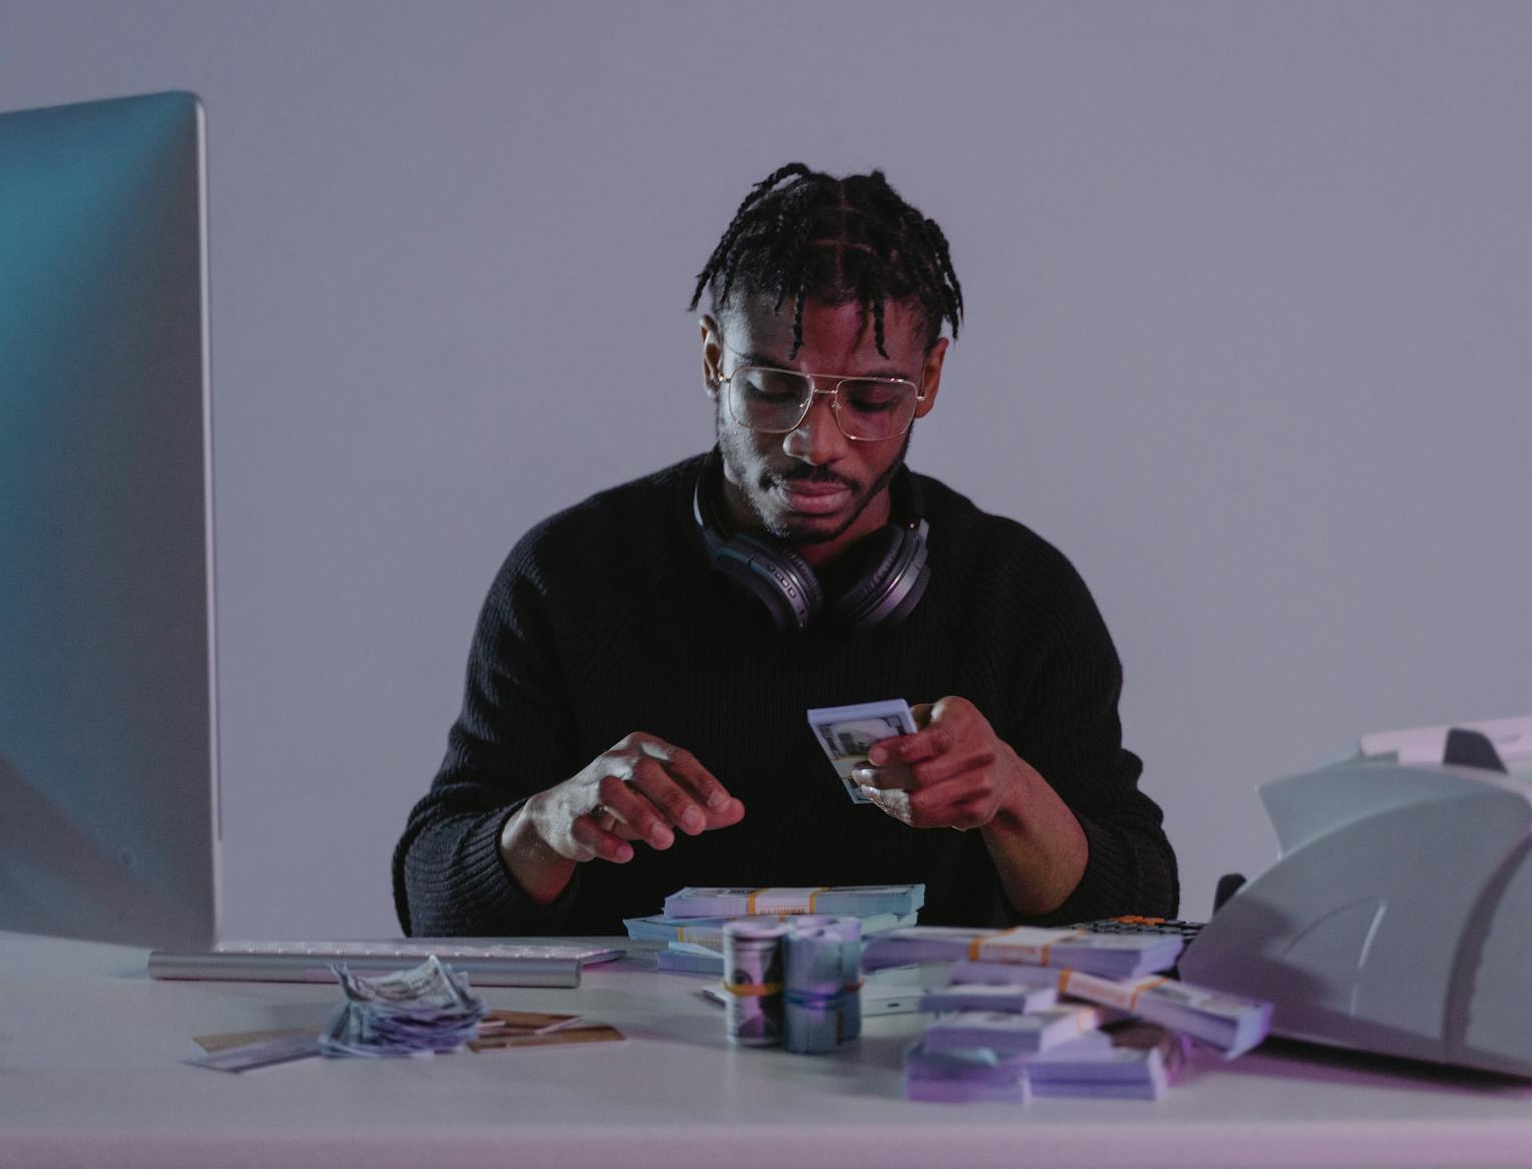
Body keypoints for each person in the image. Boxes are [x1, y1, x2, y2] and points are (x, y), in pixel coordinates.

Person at [393, 164, 1178, 936]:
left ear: (930, 378)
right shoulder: (567, 575)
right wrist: (549, 825)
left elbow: (1141, 909)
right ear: (712, 360)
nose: (814, 441)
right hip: (638, 1058)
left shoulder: (1021, 595)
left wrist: (1012, 795)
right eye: (772, 387)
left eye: (871, 398)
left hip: (917, 1057)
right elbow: (433, 902)